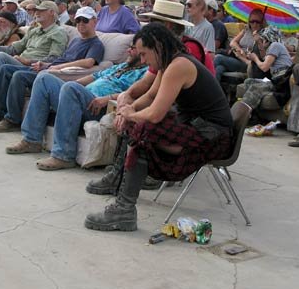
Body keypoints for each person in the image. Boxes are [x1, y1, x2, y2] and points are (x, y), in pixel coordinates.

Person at [84, 23, 233, 232]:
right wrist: (127, 110)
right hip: (198, 128)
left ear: (158, 46)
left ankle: (124, 210)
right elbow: (150, 96)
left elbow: (155, 114)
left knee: (144, 129)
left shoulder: (179, 66)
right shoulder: (170, 62)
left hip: (213, 136)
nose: (142, 60)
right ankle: (118, 184)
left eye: (144, 54)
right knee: (137, 124)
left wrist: (131, 115)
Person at [6, 43, 148, 171]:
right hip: (84, 98)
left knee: (71, 87)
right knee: (44, 78)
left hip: (101, 107)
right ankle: (31, 140)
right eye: (129, 46)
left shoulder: (145, 73)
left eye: (133, 48)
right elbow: (93, 77)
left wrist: (108, 98)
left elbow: (138, 97)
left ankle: (64, 155)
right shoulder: (121, 66)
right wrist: (66, 87)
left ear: (143, 52)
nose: (128, 50)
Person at [0, 6, 105, 133]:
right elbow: (61, 58)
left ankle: (12, 119)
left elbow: (89, 62)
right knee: (5, 69)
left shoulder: (96, 44)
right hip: (48, 68)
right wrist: (45, 64)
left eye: (85, 20)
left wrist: (56, 67)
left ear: (94, 21)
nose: (80, 24)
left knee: (19, 76)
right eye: (78, 20)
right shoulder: (76, 40)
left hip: (57, 74)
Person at [0, 1, 68, 122]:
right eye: (36, 10)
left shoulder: (58, 32)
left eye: (41, 10)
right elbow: (13, 49)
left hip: (34, 67)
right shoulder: (34, 30)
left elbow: (54, 59)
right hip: (20, 62)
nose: (36, 13)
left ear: (52, 12)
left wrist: (27, 61)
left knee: (0, 57)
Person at [240, 26, 293, 112]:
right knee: (248, 81)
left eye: (264, 39)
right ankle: (254, 112)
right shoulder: (276, 46)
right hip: (277, 80)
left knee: (255, 87)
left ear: (269, 39)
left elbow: (264, 67)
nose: (263, 41)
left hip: (281, 81)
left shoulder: (275, 45)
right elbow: (264, 57)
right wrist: (258, 42)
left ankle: (244, 111)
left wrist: (255, 58)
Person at [213, 8, 265, 81]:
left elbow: (261, 56)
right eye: (252, 21)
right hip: (236, 57)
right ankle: (215, 91)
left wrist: (242, 56)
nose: (254, 24)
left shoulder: (263, 35)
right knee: (219, 69)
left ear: (262, 22)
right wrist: (239, 50)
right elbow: (233, 42)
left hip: (247, 63)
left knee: (218, 58)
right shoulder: (246, 30)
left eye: (257, 22)